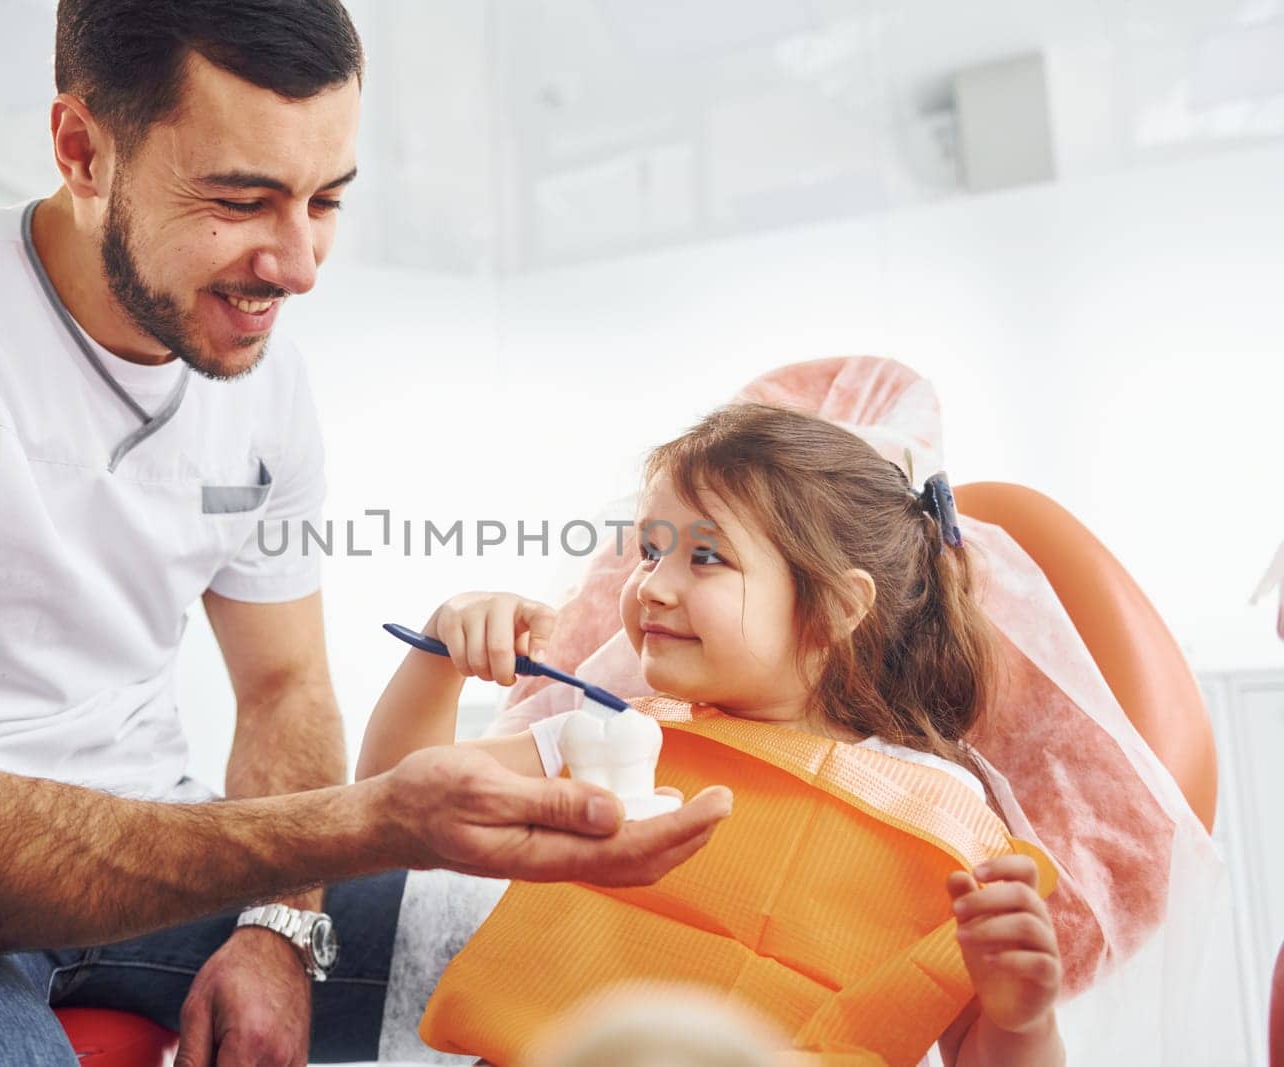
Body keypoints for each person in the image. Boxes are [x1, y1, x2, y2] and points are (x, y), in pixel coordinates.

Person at [0, 2, 729, 1064]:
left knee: (614, 980)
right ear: (82, 151)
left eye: (324, 201)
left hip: (151, 828)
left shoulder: (261, 379)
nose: (299, 263)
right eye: (242, 200)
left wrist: (279, 922)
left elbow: (284, 688)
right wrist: (368, 820)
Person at [358, 403, 1065, 1066]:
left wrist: (1019, 1018)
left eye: (705, 558)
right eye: (649, 552)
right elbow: (391, 803)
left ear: (841, 605)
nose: (651, 587)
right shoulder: (614, 737)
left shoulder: (944, 817)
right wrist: (438, 654)